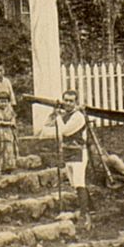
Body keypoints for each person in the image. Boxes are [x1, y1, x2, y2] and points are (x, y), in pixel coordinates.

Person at [42, 89, 92, 231]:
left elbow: (63, 132)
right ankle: (90, 208)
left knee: (79, 182)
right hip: (68, 153)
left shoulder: (78, 117)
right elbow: (45, 130)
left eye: (71, 101)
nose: (68, 103)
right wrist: (54, 116)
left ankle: (84, 214)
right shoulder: (64, 116)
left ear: (75, 102)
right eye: (66, 100)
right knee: (74, 183)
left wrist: (57, 120)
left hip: (79, 153)